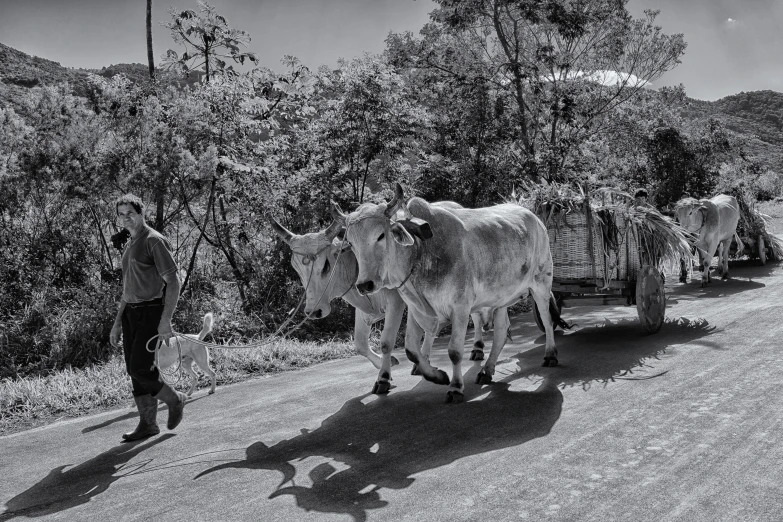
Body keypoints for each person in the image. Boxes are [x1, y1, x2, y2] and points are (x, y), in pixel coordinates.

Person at [109, 194, 186, 442]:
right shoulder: (131, 243)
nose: (125, 217)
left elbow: (173, 281)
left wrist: (165, 320)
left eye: (129, 212)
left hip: (151, 311)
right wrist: (118, 321)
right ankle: (148, 425)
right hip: (131, 313)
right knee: (135, 372)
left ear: (141, 213)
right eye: (121, 214)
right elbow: (127, 288)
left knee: (140, 368)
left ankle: (174, 399)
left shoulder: (153, 240)